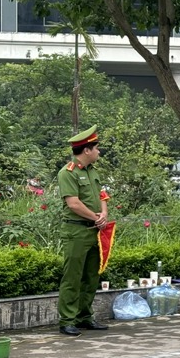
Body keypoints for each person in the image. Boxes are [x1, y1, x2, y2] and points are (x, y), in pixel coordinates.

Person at [57, 125, 111, 336]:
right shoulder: (67, 173)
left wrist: (104, 213)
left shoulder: (93, 171)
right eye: (96, 147)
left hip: (95, 231)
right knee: (72, 277)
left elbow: (103, 196)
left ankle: (84, 317)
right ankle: (67, 320)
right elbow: (74, 204)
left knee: (91, 276)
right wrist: (97, 217)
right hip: (76, 231)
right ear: (87, 150)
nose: (99, 151)